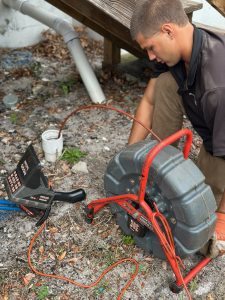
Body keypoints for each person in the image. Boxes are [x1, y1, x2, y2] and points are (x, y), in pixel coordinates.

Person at [128, 0, 225, 257]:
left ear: (169, 31)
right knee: (164, 83)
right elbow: (149, 101)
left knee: (199, 215)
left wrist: (221, 219)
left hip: (222, 132)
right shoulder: (177, 50)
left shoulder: (217, 85)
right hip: (214, 122)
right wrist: (131, 160)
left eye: (150, 47)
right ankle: (160, 162)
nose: (149, 56)